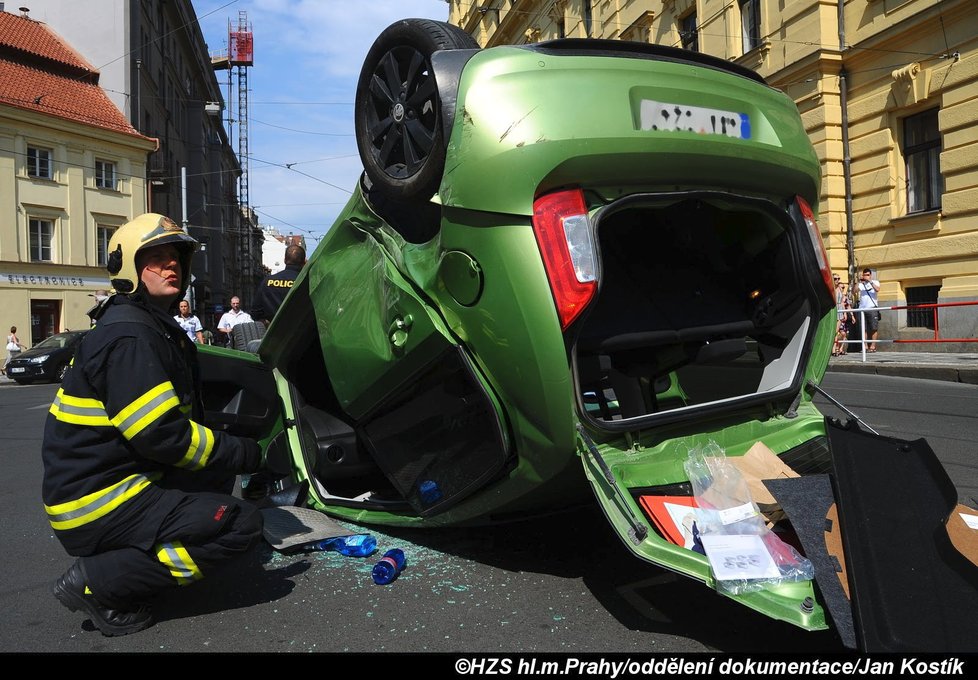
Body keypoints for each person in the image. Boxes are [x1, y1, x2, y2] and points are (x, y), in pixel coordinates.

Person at [42, 213, 263, 637]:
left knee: (213, 480)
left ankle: (129, 563)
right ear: (129, 268)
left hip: (103, 486)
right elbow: (163, 435)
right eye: (156, 258)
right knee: (240, 524)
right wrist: (246, 454)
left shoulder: (149, 326)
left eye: (176, 257)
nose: (171, 266)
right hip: (98, 501)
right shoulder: (130, 335)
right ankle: (101, 582)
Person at [251, 244, 305, 325]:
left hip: (274, 334)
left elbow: (255, 312)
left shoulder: (268, 281)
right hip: (303, 332)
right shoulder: (306, 281)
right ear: (304, 262)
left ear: (284, 260)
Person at [857, 267, 881, 352]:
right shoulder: (861, 284)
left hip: (872, 308)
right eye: (864, 275)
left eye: (867, 275)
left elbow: (877, 289)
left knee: (873, 328)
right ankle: (865, 346)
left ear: (870, 275)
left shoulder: (875, 282)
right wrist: (858, 282)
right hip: (862, 309)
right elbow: (854, 291)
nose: (866, 276)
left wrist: (870, 282)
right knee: (863, 328)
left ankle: (873, 346)